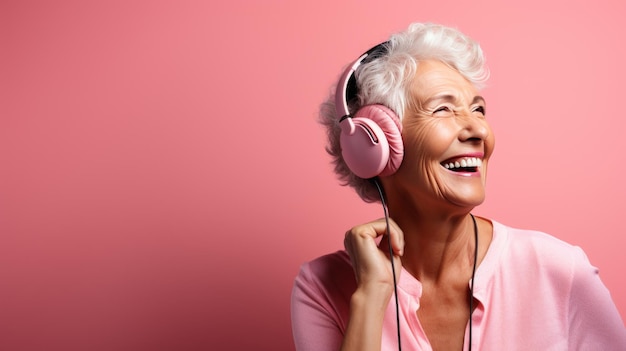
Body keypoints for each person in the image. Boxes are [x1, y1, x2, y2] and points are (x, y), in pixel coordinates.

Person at [290, 22, 626, 351]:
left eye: (478, 109)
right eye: (443, 109)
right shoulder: (321, 286)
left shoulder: (559, 269)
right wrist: (371, 296)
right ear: (375, 146)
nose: (477, 130)